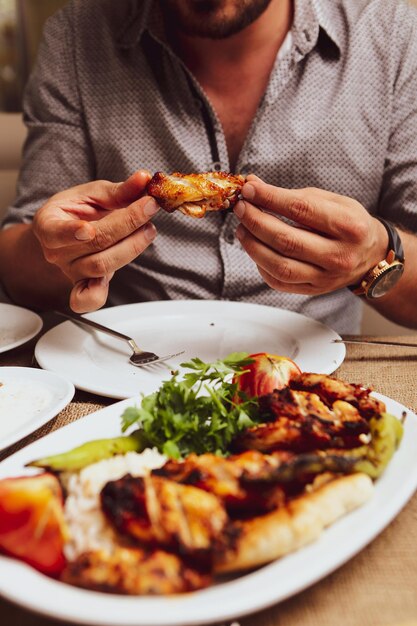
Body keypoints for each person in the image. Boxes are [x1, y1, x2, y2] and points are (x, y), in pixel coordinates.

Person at [1, 0, 417, 334]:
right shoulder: (75, 37)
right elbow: (17, 266)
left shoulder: (393, 35)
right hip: (126, 365)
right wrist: (62, 250)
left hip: (318, 372)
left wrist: (376, 257)